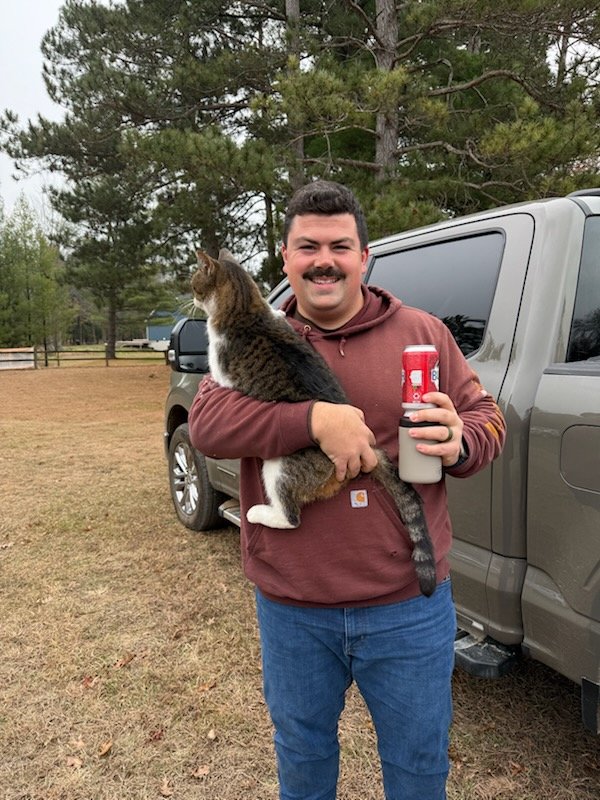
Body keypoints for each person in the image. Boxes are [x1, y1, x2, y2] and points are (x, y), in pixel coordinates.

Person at [188, 180, 505, 800]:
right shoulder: (259, 334)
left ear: (365, 257)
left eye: (340, 245)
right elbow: (207, 424)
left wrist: (460, 440)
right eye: (307, 246)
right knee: (303, 766)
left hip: (408, 606)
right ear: (286, 259)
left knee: (418, 770)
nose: (324, 259)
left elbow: (487, 418)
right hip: (293, 606)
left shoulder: (423, 333)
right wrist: (311, 420)